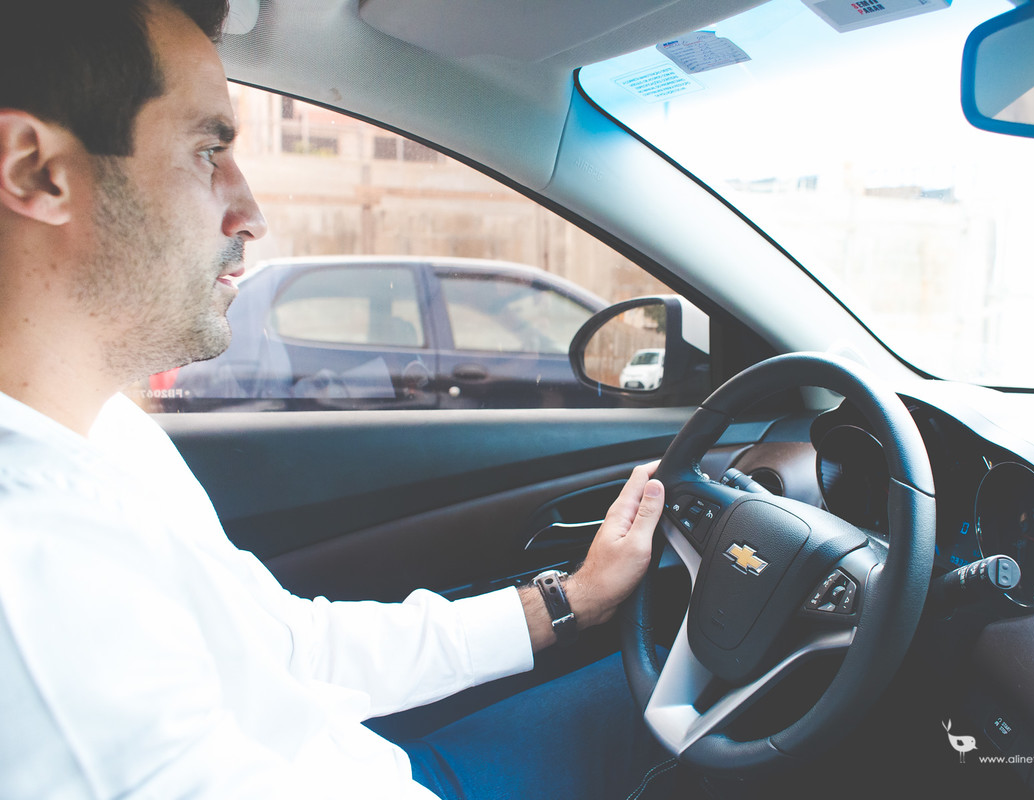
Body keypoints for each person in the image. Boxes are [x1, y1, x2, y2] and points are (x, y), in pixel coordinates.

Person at [0, 1, 672, 797]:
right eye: (208, 149)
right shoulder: (33, 580)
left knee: (665, 697)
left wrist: (571, 603)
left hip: (382, 768)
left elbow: (286, 646)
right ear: (35, 171)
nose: (251, 213)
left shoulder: (101, 428)